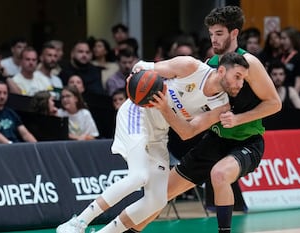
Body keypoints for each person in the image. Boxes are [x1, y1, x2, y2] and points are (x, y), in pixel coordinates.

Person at [110, 5, 282, 233]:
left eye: (219, 34)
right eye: (211, 34)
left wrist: (238, 119)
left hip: (247, 141)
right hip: (216, 139)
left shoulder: (249, 63)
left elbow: (274, 104)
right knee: (159, 196)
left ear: (234, 33)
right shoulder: (210, 67)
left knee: (219, 175)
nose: (214, 39)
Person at [56, 52, 250, 233]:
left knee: (157, 201)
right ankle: (77, 222)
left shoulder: (222, 106)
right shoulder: (190, 67)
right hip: (138, 113)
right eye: (238, 76)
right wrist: (135, 78)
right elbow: (143, 66)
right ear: (222, 70)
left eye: (243, 79)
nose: (240, 84)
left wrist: (165, 107)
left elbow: (186, 132)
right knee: (138, 176)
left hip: (158, 132)